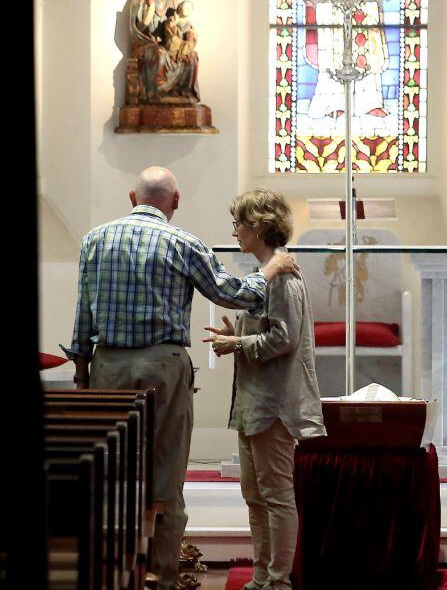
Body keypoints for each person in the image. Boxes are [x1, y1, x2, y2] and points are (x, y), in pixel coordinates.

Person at [63, 167, 298, 590]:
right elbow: (232, 294)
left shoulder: (94, 240)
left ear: (133, 196)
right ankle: (162, 577)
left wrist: (82, 372)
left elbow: (83, 312)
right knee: (165, 473)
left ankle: (109, 574)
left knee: (110, 475)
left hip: (107, 366)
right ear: (176, 201)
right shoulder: (182, 242)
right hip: (162, 367)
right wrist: (271, 269)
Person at [203, 188, 326, 590]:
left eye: (239, 223)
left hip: (275, 402)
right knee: (254, 495)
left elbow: (285, 338)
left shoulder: (283, 276)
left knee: (276, 495)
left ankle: (279, 581)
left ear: (258, 226)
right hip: (253, 399)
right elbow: (264, 327)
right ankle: (260, 577)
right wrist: (235, 332)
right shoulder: (266, 273)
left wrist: (236, 343)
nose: (235, 230)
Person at [302, 0, 397, 119]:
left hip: (366, 3)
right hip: (333, 5)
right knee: (334, 50)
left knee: (366, 48)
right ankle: (333, 102)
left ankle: (370, 101)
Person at [129, 0, 199, 102]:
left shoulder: (174, 1)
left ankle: (183, 94)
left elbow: (181, 25)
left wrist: (187, 37)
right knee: (159, 54)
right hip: (148, 48)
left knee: (191, 56)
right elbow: (134, 34)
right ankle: (157, 94)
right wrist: (146, 19)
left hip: (170, 47)